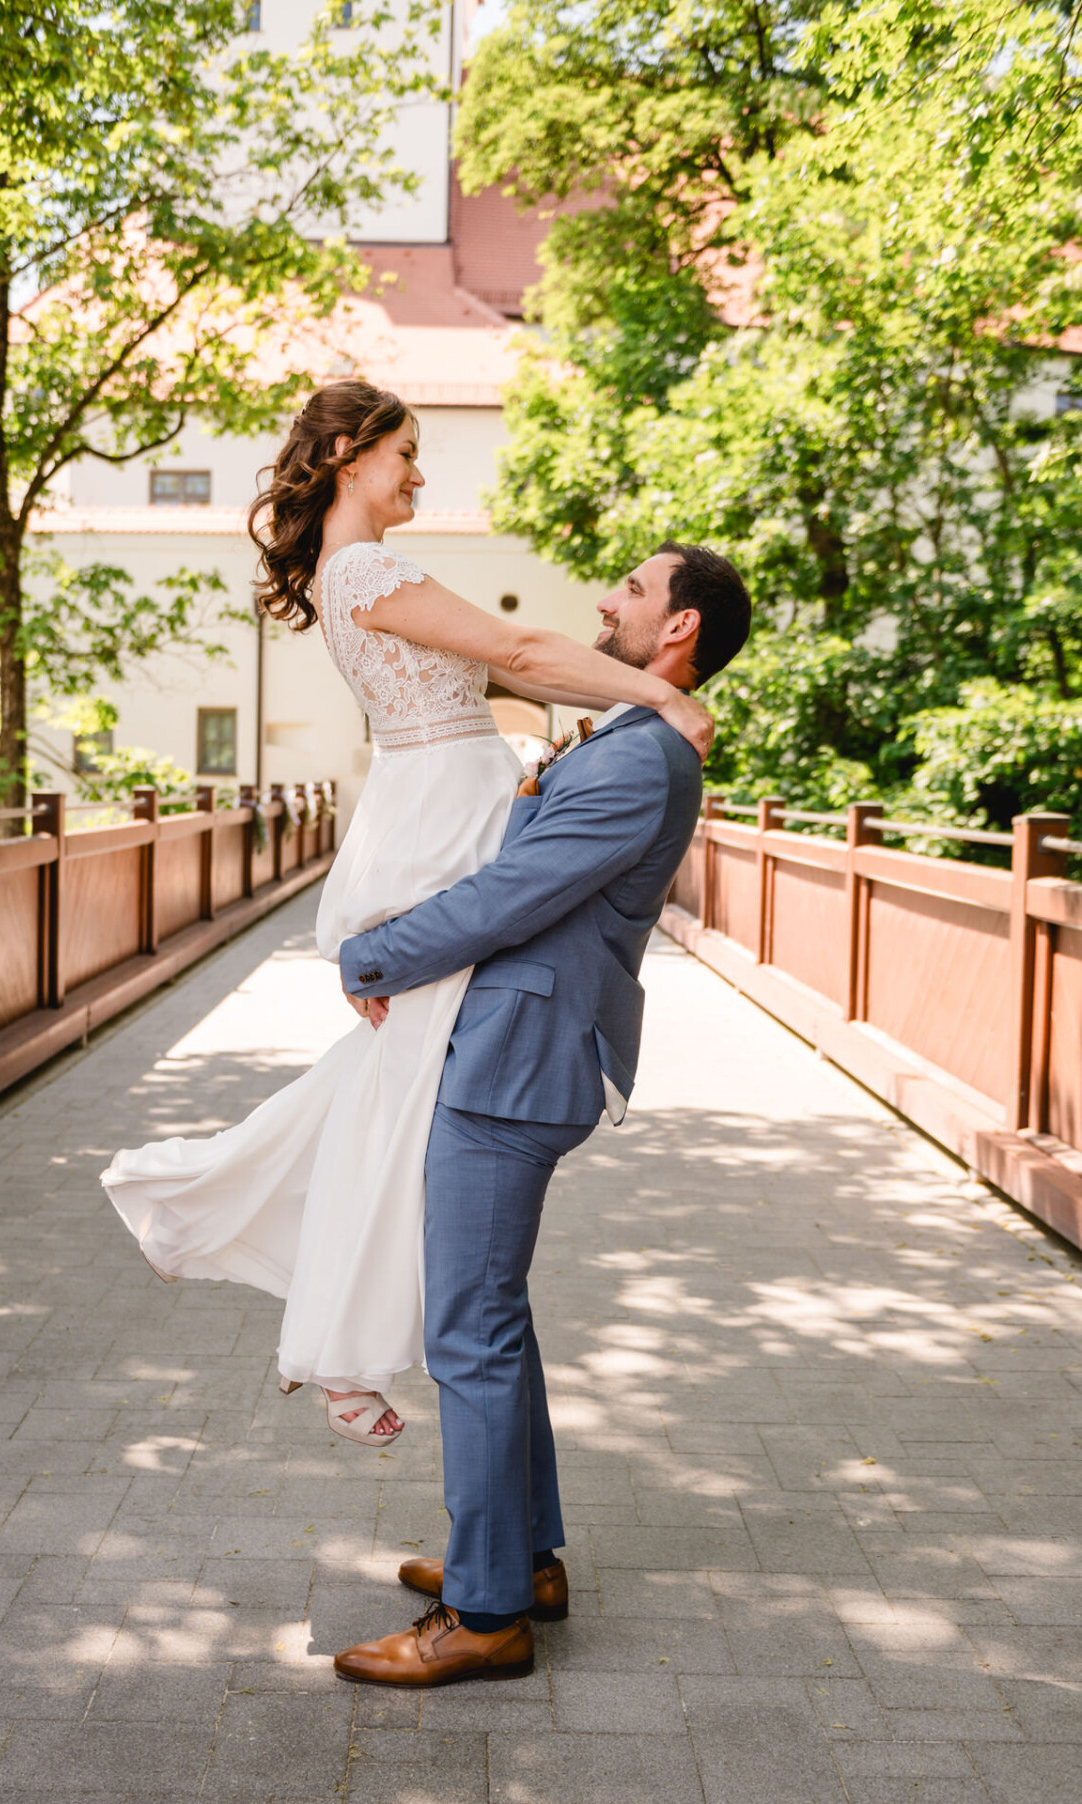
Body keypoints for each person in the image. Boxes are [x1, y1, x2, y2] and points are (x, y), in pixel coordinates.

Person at [100, 378, 715, 1445]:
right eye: (407, 453)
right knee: (399, 1094)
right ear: (347, 453)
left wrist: (539, 738)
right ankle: (329, 1335)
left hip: (441, 801)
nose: (421, 473)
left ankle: (263, 1257)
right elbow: (519, 653)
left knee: (393, 1084)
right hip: (438, 817)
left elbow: (490, 682)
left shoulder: (358, 573)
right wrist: (662, 695)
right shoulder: (369, 567)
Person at [330, 535, 752, 1687]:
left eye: (631, 589)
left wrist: (372, 953)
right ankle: (526, 1560)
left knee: (467, 1325)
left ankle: (486, 1614)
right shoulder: (629, 735)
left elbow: (512, 894)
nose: (605, 601)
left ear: (679, 630)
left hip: (517, 1062)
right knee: (492, 1315)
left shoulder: (640, 760)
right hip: (519, 1049)